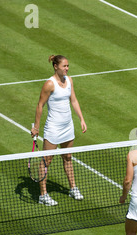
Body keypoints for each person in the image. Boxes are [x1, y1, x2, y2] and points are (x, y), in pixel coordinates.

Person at [31, 55, 87, 206]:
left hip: (67, 126)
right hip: (53, 129)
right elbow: (40, 106)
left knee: (68, 157)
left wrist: (81, 119)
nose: (67, 68)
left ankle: (73, 188)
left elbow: (73, 100)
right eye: (64, 66)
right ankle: (43, 195)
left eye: (68, 66)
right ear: (56, 66)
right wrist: (36, 127)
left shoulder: (69, 80)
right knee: (46, 161)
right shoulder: (49, 84)